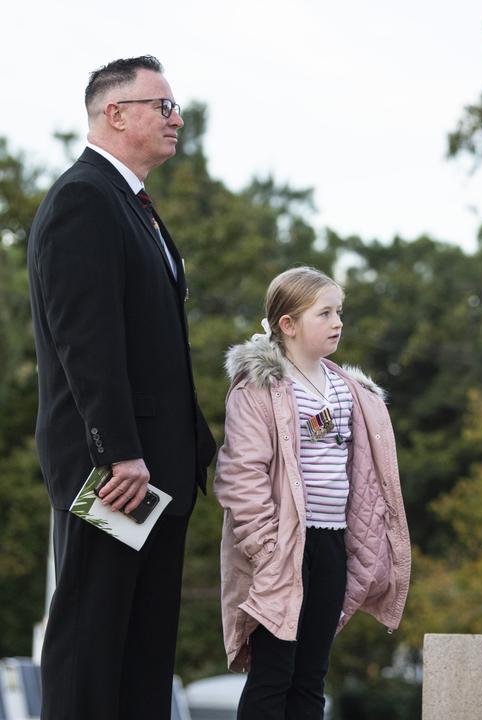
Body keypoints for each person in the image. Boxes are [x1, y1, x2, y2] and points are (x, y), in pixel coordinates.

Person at [26, 55, 216, 719]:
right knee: (92, 640)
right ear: (115, 113)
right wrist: (117, 453)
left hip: (155, 472)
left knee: (142, 656)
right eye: (162, 105)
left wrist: (202, 455)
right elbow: (87, 341)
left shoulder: (136, 208)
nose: (176, 118)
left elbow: (160, 352)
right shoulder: (84, 199)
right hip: (113, 475)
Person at [216, 266, 411, 718]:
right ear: (288, 324)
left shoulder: (349, 391)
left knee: (310, 677)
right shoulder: (259, 388)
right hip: (281, 547)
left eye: (339, 312)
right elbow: (240, 474)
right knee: (273, 675)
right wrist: (267, 548)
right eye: (324, 313)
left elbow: (367, 476)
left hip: (331, 543)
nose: (337, 322)